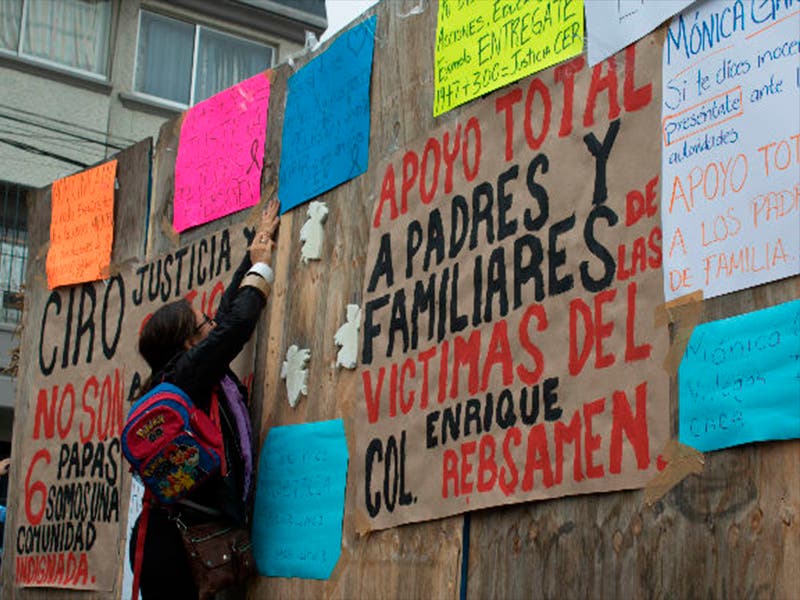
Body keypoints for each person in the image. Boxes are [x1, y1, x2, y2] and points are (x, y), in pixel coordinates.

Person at [130, 199, 279, 599]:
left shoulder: (185, 375)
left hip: (179, 540)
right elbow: (236, 324)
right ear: (187, 343)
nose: (211, 323)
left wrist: (255, 248)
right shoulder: (186, 375)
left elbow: (226, 314)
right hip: (177, 549)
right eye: (203, 324)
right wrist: (263, 268)